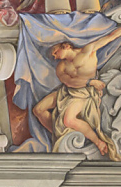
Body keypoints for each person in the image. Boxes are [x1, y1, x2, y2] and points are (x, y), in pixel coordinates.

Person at [33, 29, 121, 160]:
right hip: (69, 91)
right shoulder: (61, 67)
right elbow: (69, 82)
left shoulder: (89, 50)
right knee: (38, 110)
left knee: (68, 120)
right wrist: (90, 81)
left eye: (56, 52)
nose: (54, 56)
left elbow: (110, 36)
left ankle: (98, 142)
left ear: (66, 46)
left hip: (84, 94)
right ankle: (60, 135)